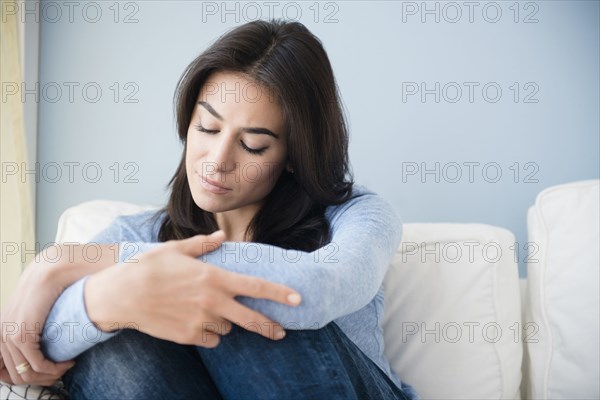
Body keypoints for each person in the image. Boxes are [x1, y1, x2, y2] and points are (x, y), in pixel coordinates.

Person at [0, 19, 419, 399]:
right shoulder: (139, 233)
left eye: (253, 144)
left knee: (236, 297)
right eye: (207, 127)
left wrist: (76, 265)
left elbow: (319, 288)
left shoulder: (359, 215)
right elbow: (43, 344)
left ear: (294, 154)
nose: (217, 161)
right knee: (117, 341)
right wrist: (105, 295)